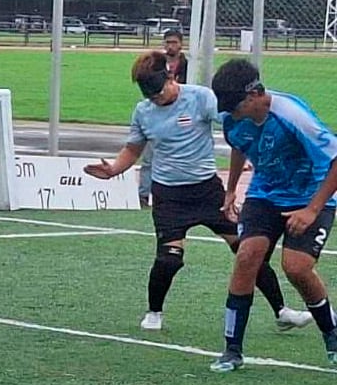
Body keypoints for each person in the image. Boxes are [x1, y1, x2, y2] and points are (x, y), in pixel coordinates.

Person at [84, 51, 309, 333]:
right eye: (150, 96)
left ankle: (282, 310)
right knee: (169, 259)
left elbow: (236, 118)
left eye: (159, 91)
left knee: (247, 251)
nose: (156, 99)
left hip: (207, 192)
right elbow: (133, 149)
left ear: (171, 77)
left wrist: (257, 150)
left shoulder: (200, 98)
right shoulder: (143, 112)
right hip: (169, 196)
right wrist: (115, 169)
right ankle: (154, 311)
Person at [208, 58, 337, 372]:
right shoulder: (234, 120)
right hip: (264, 194)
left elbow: (335, 160)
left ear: (254, 95)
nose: (229, 112)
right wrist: (231, 189)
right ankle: (232, 349)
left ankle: (331, 335)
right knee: (247, 255)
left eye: (234, 104)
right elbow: (241, 145)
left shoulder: (292, 116)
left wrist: (311, 210)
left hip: (311, 195)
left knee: (297, 267)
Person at [137, 28, 191, 207]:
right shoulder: (156, 65)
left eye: (174, 42)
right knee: (149, 156)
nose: (170, 46)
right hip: (160, 112)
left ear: (181, 44)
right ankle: (144, 195)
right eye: (167, 42)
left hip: (181, 113)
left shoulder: (188, 65)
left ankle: (180, 194)